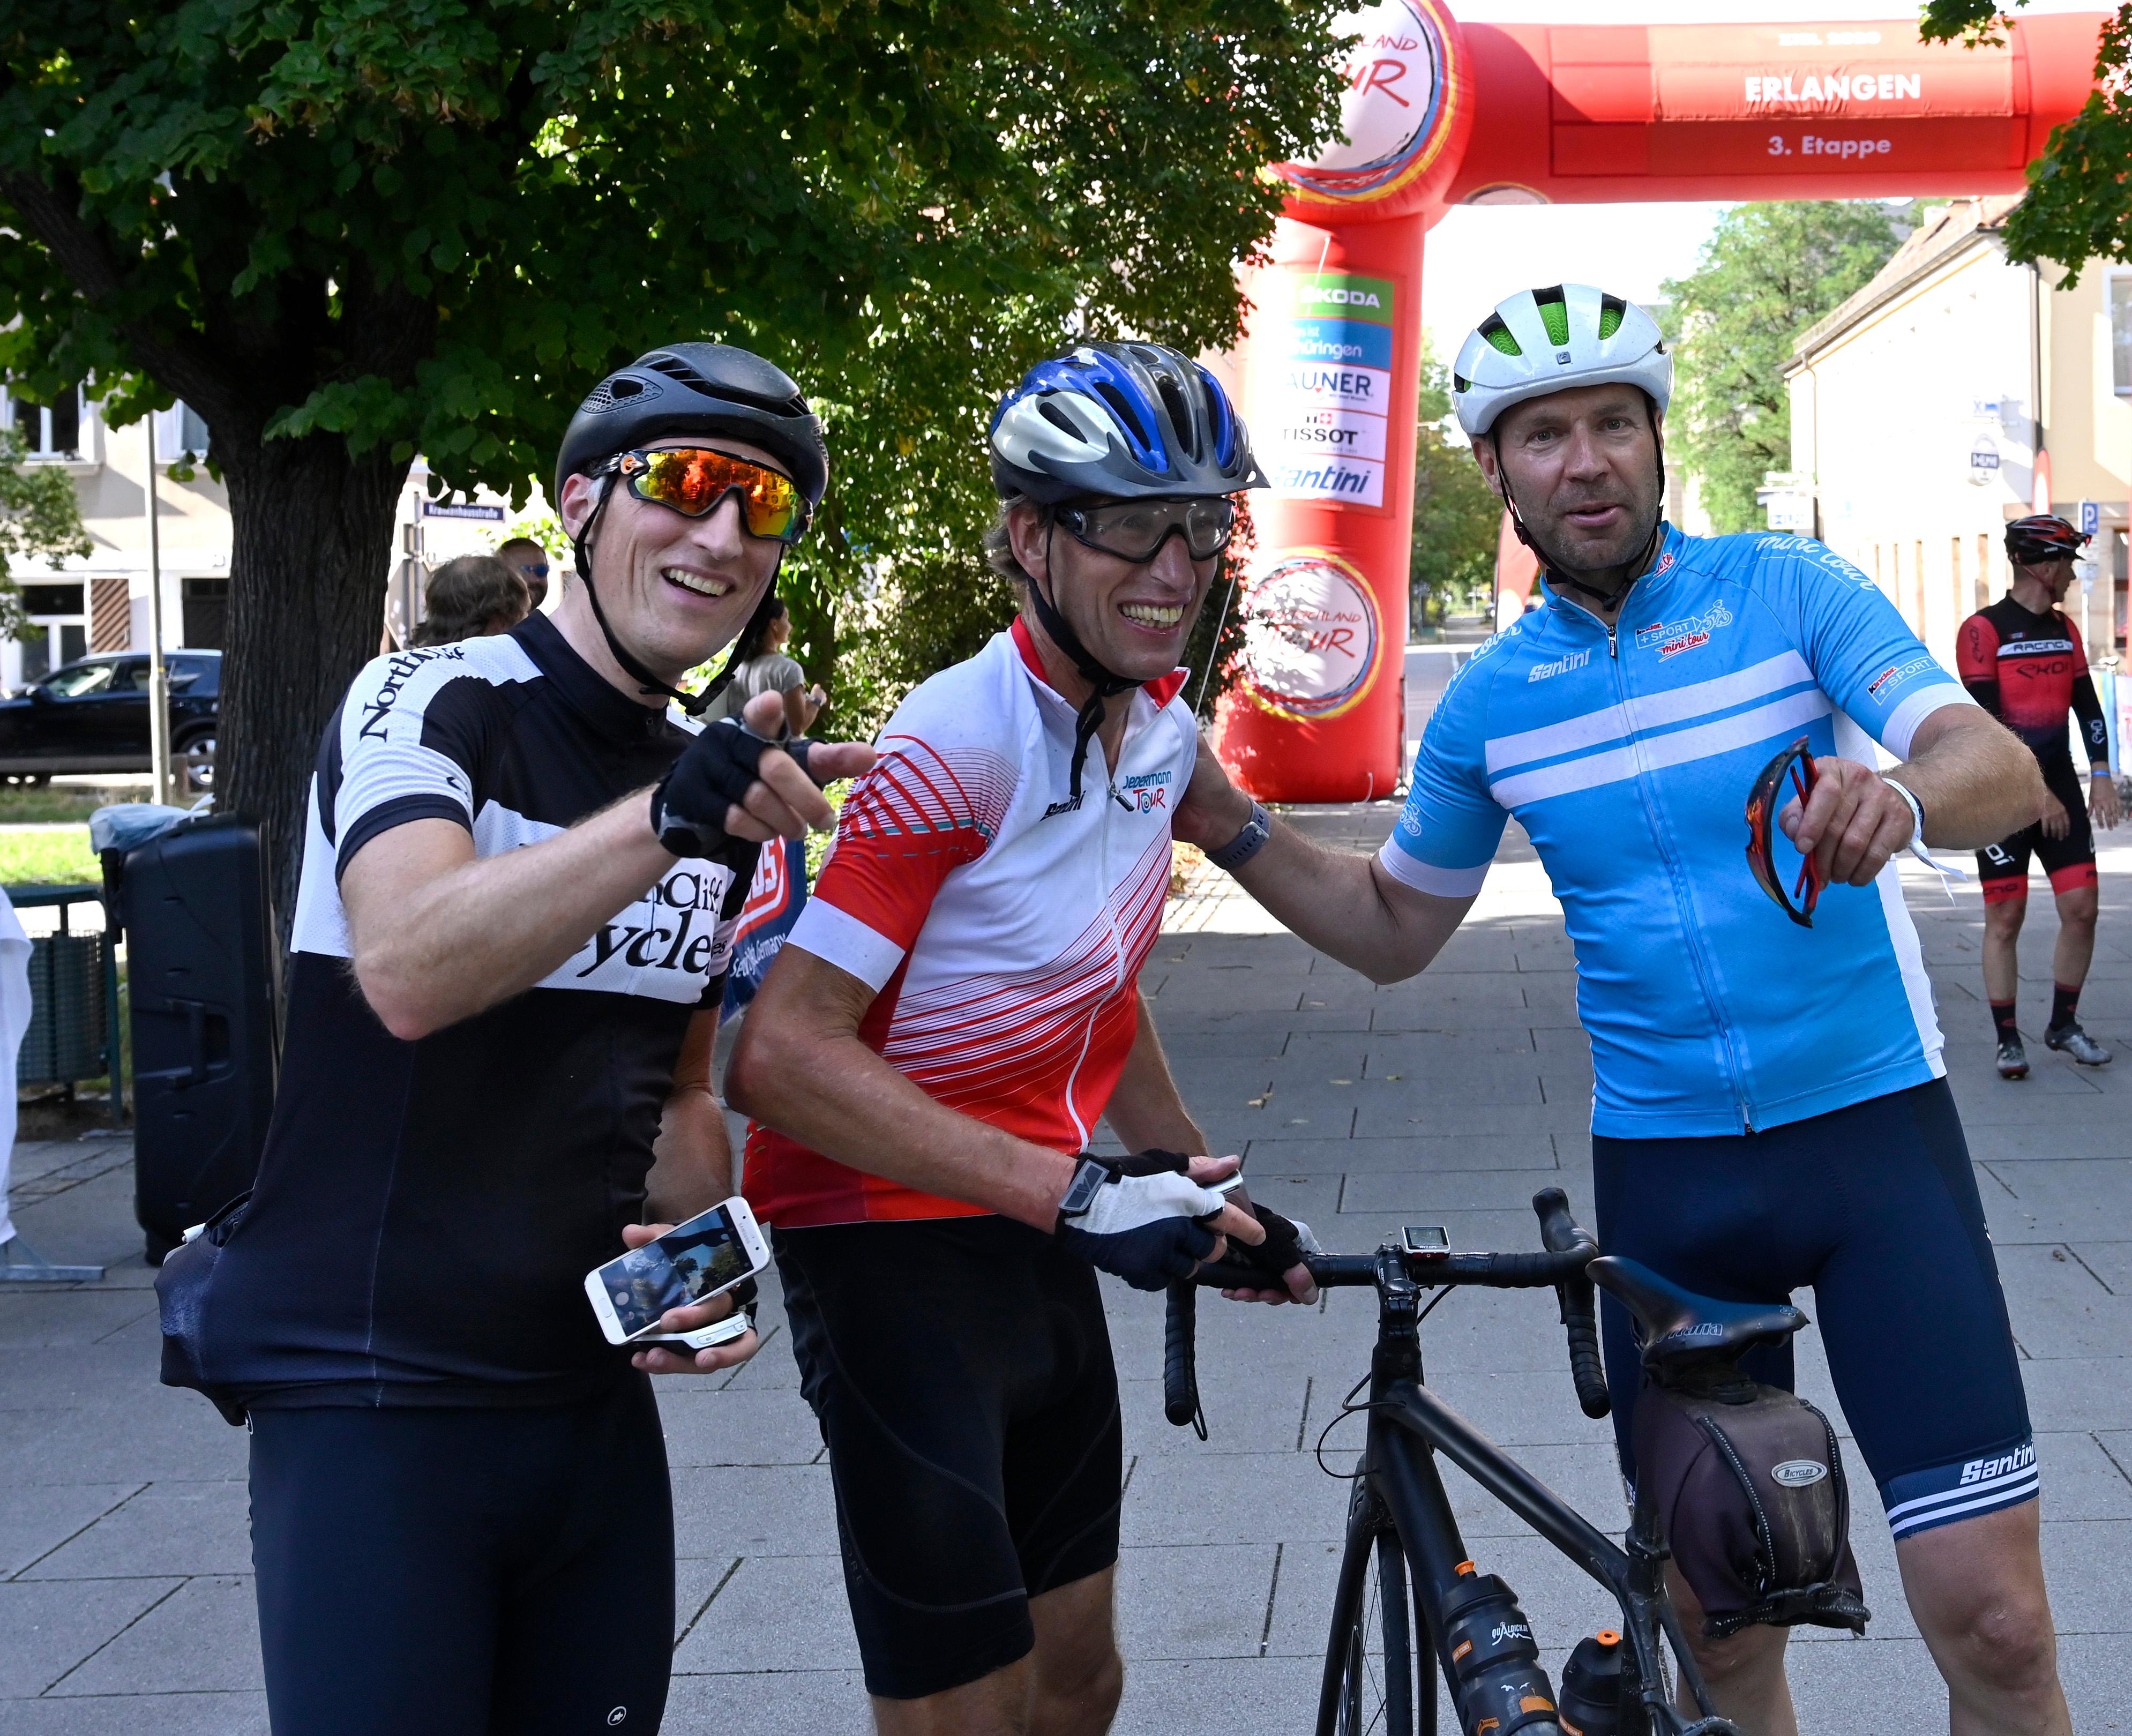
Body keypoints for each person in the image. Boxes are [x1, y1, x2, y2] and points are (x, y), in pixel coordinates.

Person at [1175, 283, 2070, 1736]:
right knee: (1719, 1639)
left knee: (2002, 1628)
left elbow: (1994, 769)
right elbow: (1397, 928)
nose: (1583, 461)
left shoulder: (1792, 593)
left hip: (1875, 1147)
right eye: (1543, 436)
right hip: (1672, 1183)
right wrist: (1223, 820)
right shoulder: (1488, 711)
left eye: (1609, 424)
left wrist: (1899, 798)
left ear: (1656, 443)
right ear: (1496, 471)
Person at [188, 343, 871, 1735]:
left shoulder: (704, 785)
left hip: (583, 1412)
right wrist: (673, 811)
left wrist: (716, 1260)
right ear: (579, 501)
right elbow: (409, 964)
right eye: (685, 484)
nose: (722, 532)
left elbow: (676, 1092)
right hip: (374, 1405)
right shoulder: (430, 701)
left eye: (765, 506)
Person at [728, 340, 1313, 1735]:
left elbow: (1095, 978)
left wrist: (1196, 1182)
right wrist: (1087, 1193)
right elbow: (782, 1056)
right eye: (1126, 525)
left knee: (1080, 1678)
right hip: (877, 1236)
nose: (1174, 569)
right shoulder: (955, 742)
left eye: (1201, 526)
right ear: (1027, 540)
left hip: (1035, 1219)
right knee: (967, 1707)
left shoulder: (1160, 728)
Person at [1956, 514, 2123, 1079]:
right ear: (2042, 564)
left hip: (2061, 789)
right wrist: (2035, 793)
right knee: (2007, 915)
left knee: (2083, 910)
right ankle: (2008, 1039)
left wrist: (2101, 772)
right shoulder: (1983, 631)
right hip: (2002, 796)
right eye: (2068, 562)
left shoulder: (2065, 629)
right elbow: (1990, 727)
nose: (2073, 574)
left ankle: (2064, 1024)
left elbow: (2088, 706)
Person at [719, 592, 811, 723]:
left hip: (738, 741)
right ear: (774, 625)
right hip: (771, 744)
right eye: (786, 618)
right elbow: (796, 729)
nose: (790, 626)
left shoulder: (737, 667)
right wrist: (816, 701)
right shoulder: (788, 669)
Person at [410, 552, 532, 646]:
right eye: (524, 613)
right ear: (499, 622)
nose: (528, 620)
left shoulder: (412, 667)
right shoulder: (502, 674)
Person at [497, 533, 552, 611]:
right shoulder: (481, 621)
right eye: (523, 571)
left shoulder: (549, 622)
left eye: (541, 570)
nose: (534, 579)